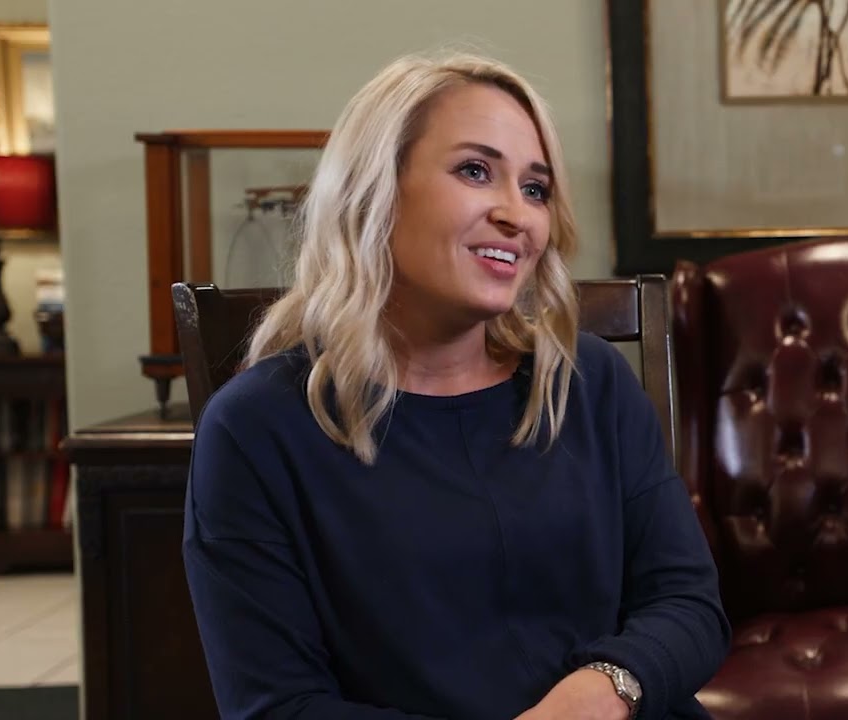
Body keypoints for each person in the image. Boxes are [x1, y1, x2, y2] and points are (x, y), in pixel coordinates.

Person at [181, 51, 731, 720]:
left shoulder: (590, 382)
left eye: (535, 188)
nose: (519, 216)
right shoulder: (256, 429)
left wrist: (604, 689)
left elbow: (689, 605)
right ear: (373, 189)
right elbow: (277, 707)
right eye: (476, 171)